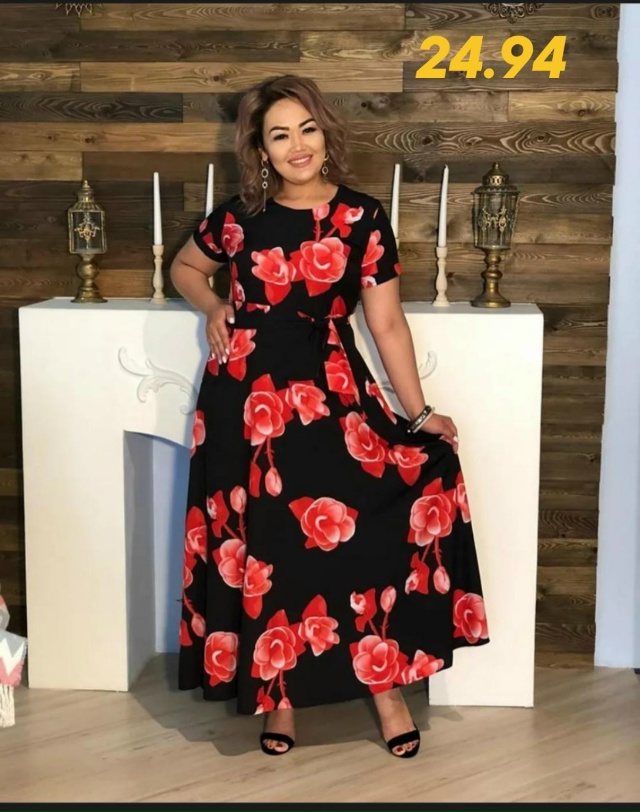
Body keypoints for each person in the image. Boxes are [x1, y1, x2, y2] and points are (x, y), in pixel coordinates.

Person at [170, 74, 489, 759]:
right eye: (279, 134)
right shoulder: (237, 218)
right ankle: (278, 701)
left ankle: (387, 692)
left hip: (329, 394)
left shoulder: (362, 218)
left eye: (307, 129)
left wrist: (418, 414)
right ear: (260, 149)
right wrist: (213, 306)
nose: (297, 146)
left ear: (325, 134)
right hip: (243, 402)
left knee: (361, 537)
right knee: (270, 547)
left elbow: (387, 324)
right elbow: (186, 269)